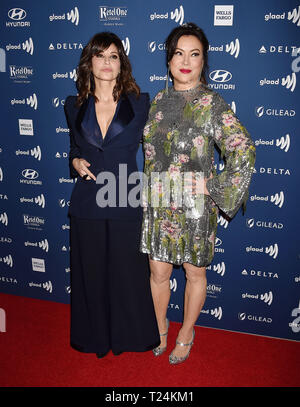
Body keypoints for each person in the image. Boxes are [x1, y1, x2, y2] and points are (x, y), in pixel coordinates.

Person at [140, 23, 256, 365]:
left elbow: (243, 148)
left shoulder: (211, 103)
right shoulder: (158, 99)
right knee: (158, 273)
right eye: (179, 53)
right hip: (159, 204)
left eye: (195, 54)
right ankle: (159, 326)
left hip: (194, 209)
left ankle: (186, 333)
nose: (186, 61)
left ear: (204, 61)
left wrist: (213, 186)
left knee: (195, 274)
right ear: (169, 60)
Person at [64, 32, 160, 358]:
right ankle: (95, 338)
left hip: (124, 198)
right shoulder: (74, 105)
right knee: (90, 274)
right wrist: (74, 160)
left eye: (114, 56)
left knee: (128, 275)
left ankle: (129, 338)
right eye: (100, 55)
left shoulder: (140, 103)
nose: (107, 62)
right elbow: (75, 148)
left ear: (122, 64)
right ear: (89, 62)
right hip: (88, 201)